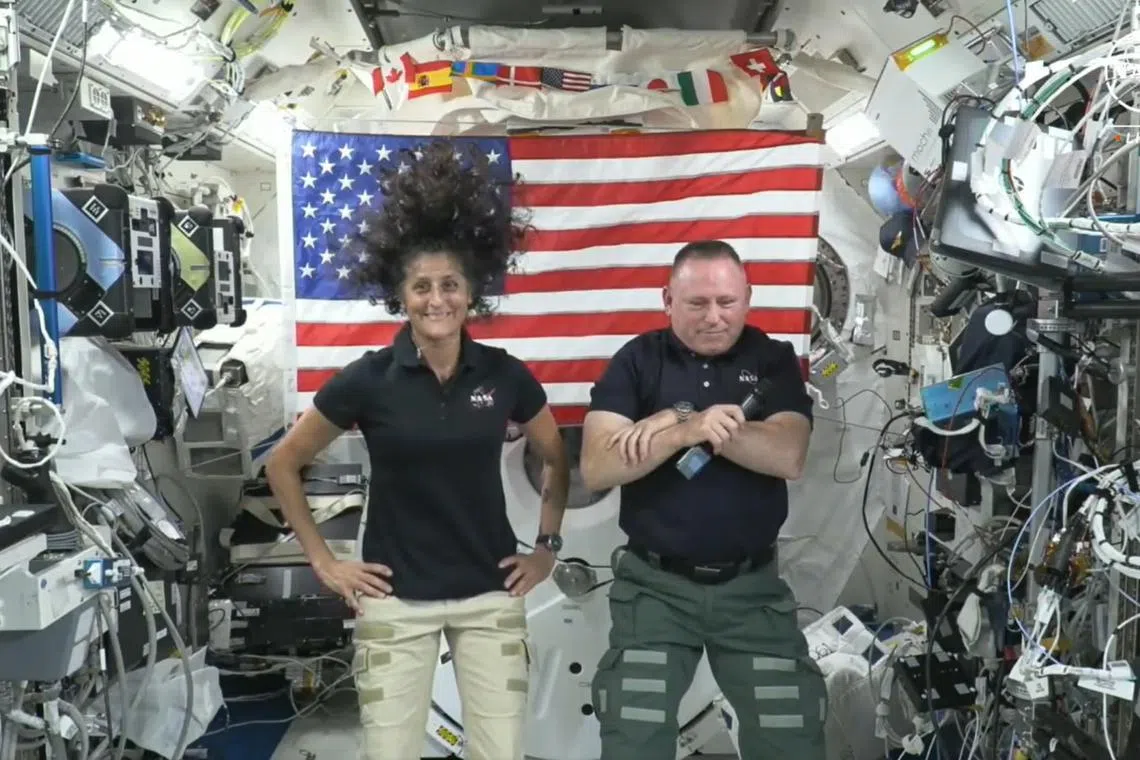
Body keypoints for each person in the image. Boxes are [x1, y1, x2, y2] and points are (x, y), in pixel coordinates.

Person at [265, 142, 570, 760]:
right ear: (399, 295)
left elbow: (557, 458)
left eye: (451, 285)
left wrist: (546, 550)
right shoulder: (367, 379)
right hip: (393, 603)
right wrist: (326, 563)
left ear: (472, 292)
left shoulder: (505, 374)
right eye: (422, 286)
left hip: (490, 596)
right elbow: (282, 464)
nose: (438, 300)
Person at [580, 240, 824, 760]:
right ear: (667, 300)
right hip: (655, 591)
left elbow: (788, 456)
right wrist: (685, 427)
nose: (714, 317)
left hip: (751, 591)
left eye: (727, 302)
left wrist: (678, 422)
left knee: (791, 736)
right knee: (633, 738)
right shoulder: (638, 361)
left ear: (748, 297)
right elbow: (598, 465)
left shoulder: (773, 360)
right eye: (697, 304)